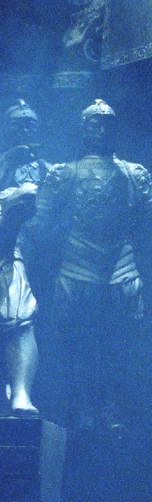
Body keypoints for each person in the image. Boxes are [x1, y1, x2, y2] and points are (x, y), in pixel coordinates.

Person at [19, 98, 152, 431]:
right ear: (83, 130)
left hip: (120, 272)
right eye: (94, 124)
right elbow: (38, 225)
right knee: (78, 348)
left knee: (118, 348)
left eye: (107, 124)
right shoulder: (63, 173)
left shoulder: (133, 173)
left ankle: (109, 409)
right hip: (76, 271)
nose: (100, 130)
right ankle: (83, 409)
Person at [0, 99, 51, 416]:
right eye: (17, 123)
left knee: (23, 320)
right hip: (6, 245)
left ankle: (22, 392)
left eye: (30, 123)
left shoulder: (49, 169)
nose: (24, 129)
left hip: (36, 253)